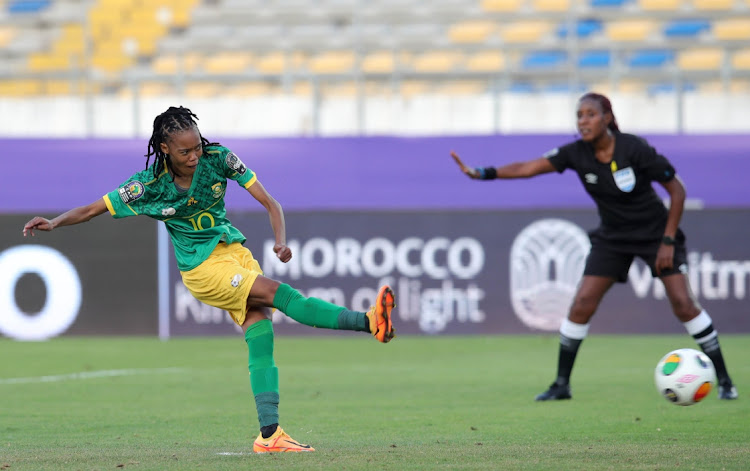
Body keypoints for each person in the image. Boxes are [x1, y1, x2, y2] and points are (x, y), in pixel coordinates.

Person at [23, 106, 397, 452]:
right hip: (202, 270)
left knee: (261, 330)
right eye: (185, 151)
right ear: (166, 148)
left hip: (233, 252)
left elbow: (271, 202)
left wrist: (281, 242)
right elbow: (93, 209)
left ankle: (270, 436)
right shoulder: (148, 185)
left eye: (197, 146)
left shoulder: (219, 159)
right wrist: (54, 222)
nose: (195, 156)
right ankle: (367, 322)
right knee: (279, 294)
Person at [451, 92, 738, 401]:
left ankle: (724, 380)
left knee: (683, 304)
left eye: (590, 114)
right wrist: (482, 173)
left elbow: (677, 192)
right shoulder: (577, 153)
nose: (583, 121)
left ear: (607, 118)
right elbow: (527, 168)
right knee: (582, 303)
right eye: (579, 116)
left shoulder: (634, 148)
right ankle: (561, 384)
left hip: (655, 234)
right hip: (613, 237)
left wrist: (668, 240)